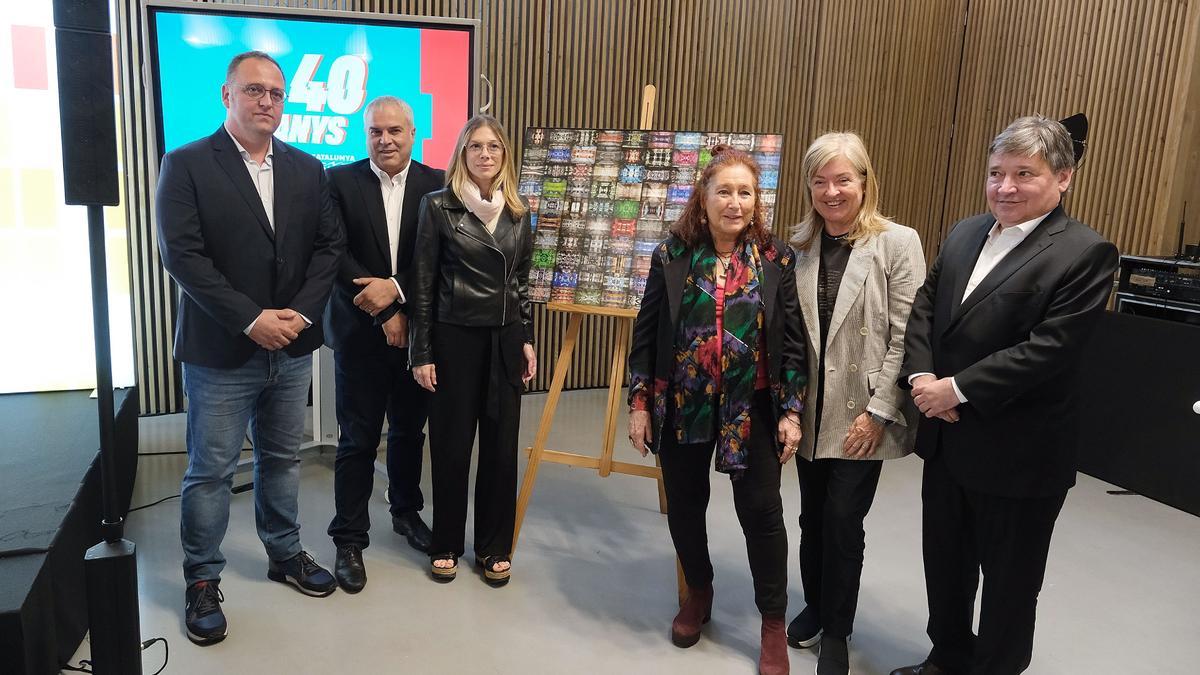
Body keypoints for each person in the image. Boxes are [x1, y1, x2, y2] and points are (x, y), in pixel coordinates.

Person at [891, 115, 1118, 675]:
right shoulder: (966, 231)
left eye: (1024, 173)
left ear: (1062, 178)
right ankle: (946, 658)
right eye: (996, 173)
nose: (1006, 187)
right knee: (944, 566)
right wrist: (920, 378)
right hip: (947, 445)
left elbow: (1049, 350)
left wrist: (957, 390)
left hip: (1020, 455)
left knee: (1010, 588)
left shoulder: (1085, 253)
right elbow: (925, 305)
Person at [156, 50, 344, 645]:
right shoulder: (185, 164)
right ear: (227, 95)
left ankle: (284, 553)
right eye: (254, 90)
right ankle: (202, 580)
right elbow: (182, 257)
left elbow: (327, 249)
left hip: (291, 347)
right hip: (220, 352)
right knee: (210, 471)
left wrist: (299, 315)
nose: (268, 101)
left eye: (277, 93)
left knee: (282, 459)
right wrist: (251, 320)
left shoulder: (308, 169)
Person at [627, 146, 808, 675]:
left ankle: (772, 621)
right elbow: (647, 335)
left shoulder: (776, 260)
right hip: (682, 405)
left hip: (750, 406)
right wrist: (639, 405)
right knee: (685, 503)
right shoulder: (672, 254)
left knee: (762, 513)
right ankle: (699, 591)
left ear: (757, 201)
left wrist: (791, 411)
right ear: (702, 199)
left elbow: (792, 343)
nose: (734, 202)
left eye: (744, 192)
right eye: (723, 191)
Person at [787, 132, 926, 675]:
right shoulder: (798, 246)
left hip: (864, 410)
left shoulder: (896, 241)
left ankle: (838, 631)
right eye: (820, 181)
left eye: (843, 179)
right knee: (811, 517)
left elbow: (906, 333)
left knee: (844, 520)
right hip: (811, 411)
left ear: (865, 181)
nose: (832, 191)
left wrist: (879, 412)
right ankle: (816, 605)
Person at [323, 96, 445, 593]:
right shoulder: (338, 182)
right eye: (375, 131)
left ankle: (406, 512)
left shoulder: (437, 184)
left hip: (418, 334)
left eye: (395, 131)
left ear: (413, 134)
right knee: (357, 438)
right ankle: (349, 538)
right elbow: (332, 252)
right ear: (365, 134)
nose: (385, 140)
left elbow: (442, 258)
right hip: (358, 331)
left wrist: (396, 296)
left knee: (409, 432)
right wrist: (384, 311)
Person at [408, 114, 536, 587]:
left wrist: (526, 339)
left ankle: (493, 547)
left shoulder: (521, 212)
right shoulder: (437, 207)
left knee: (502, 448)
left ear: (505, 156)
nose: (485, 154)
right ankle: (444, 543)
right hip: (453, 336)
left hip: (503, 337)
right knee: (451, 446)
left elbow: (521, 284)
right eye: (476, 146)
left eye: (494, 147)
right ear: (462, 154)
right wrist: (421, 352)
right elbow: (421, 283)